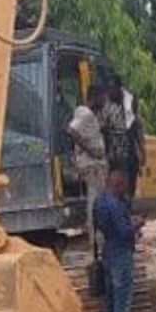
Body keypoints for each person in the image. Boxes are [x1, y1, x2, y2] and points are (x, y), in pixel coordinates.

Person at [93, 168, 145, 312]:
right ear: (119, 184)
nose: (126, 190)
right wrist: (137, 224)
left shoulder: (99, 201)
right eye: (124, 186)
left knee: (110, 299)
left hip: (107, 252)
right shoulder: (115, 204)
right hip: (120, 253)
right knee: (122, 298)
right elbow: (123, 231)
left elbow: (100, 226)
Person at [67, 85, 107, 248]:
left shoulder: (90, 115)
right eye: (102, 98)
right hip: (92, 166)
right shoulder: (85, 113)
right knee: (96, 202)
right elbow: (71, 130)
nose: (104, 102)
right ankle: (97, 240)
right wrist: (92, 151)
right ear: (95, 98)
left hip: (95, 165)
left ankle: (98, 238)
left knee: (98, 201)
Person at [99, 76, 132, 193]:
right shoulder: (107, 108)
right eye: (109, 88)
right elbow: (103, 130)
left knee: (127, 182)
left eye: (113, 88)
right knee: (116, 182)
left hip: (127, 151)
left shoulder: (127, 106)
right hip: (115, 151)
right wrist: (108, 151)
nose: (110, 91)